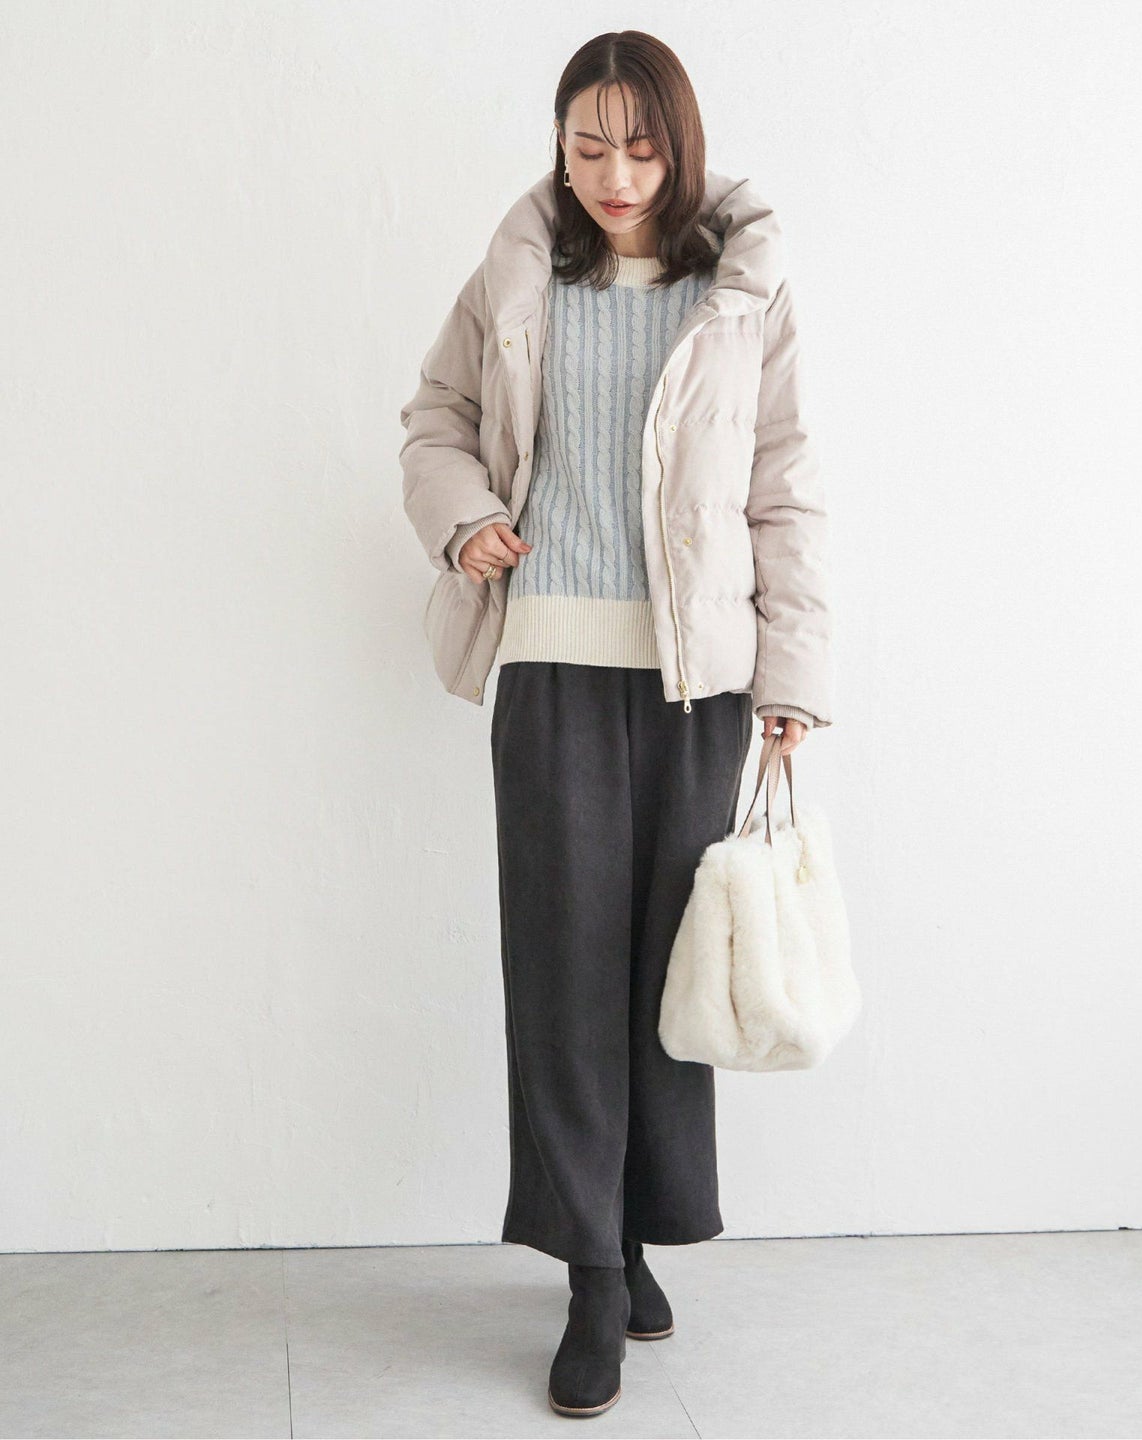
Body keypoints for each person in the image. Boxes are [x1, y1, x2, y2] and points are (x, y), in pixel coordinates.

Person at [400, 29, 833, 1419]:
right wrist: (466, 518)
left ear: (680, 145)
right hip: (552, 669)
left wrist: (790, 677)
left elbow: (783, 484)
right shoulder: (519, 272)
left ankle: (640, 1229)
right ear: (560, 142)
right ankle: (591, 1269)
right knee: (563, 976)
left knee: (666, 979)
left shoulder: (743, 288)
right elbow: (435, 419)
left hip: (699, 687)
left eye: (641, 147)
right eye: (588, 146)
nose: (616, 174)